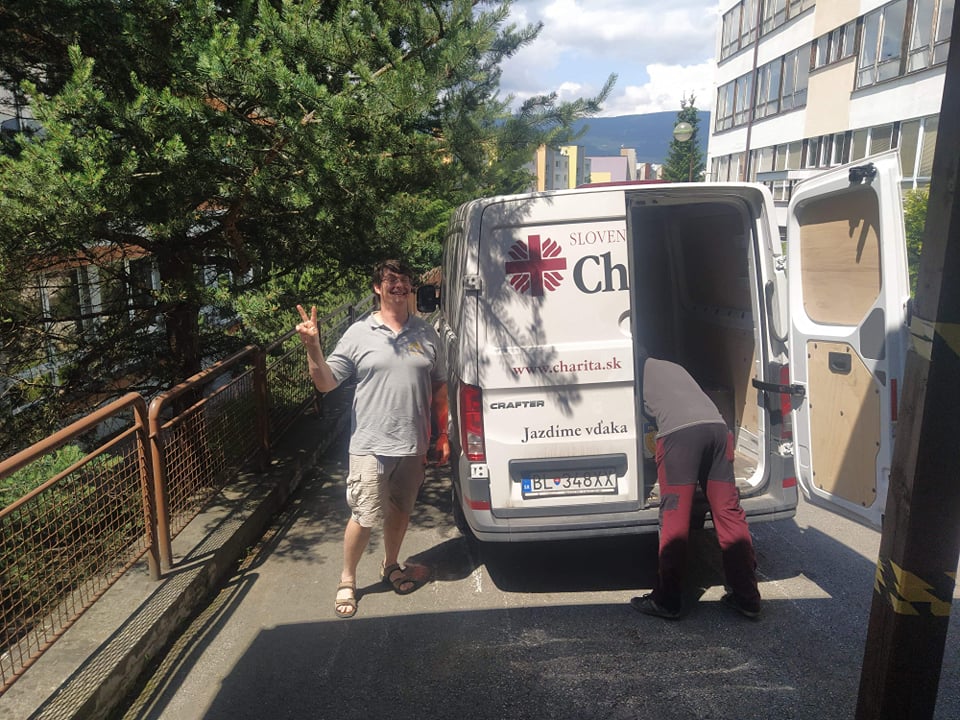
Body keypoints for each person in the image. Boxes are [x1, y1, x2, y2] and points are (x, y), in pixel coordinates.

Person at [295, 259, 449, 619]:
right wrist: (313, 347)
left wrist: (442, 434)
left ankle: (391, 564)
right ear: (377, 288)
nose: (399, 285)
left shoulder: (426, 333)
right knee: (364, 515)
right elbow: (326, 383)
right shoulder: (359, 333)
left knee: (401, 510)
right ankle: (347, 579)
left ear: (411, 287)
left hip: (413, 443)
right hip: (370, 445)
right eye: (390, 280)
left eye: (404, 280)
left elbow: (439, 385)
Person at [631, 354, 761, 620]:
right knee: (728, 512)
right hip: (718, 430)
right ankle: (747, 598)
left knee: (675, 515)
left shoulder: (631, 369)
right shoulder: (672, 366)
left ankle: (667, 601)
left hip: (680, 436)